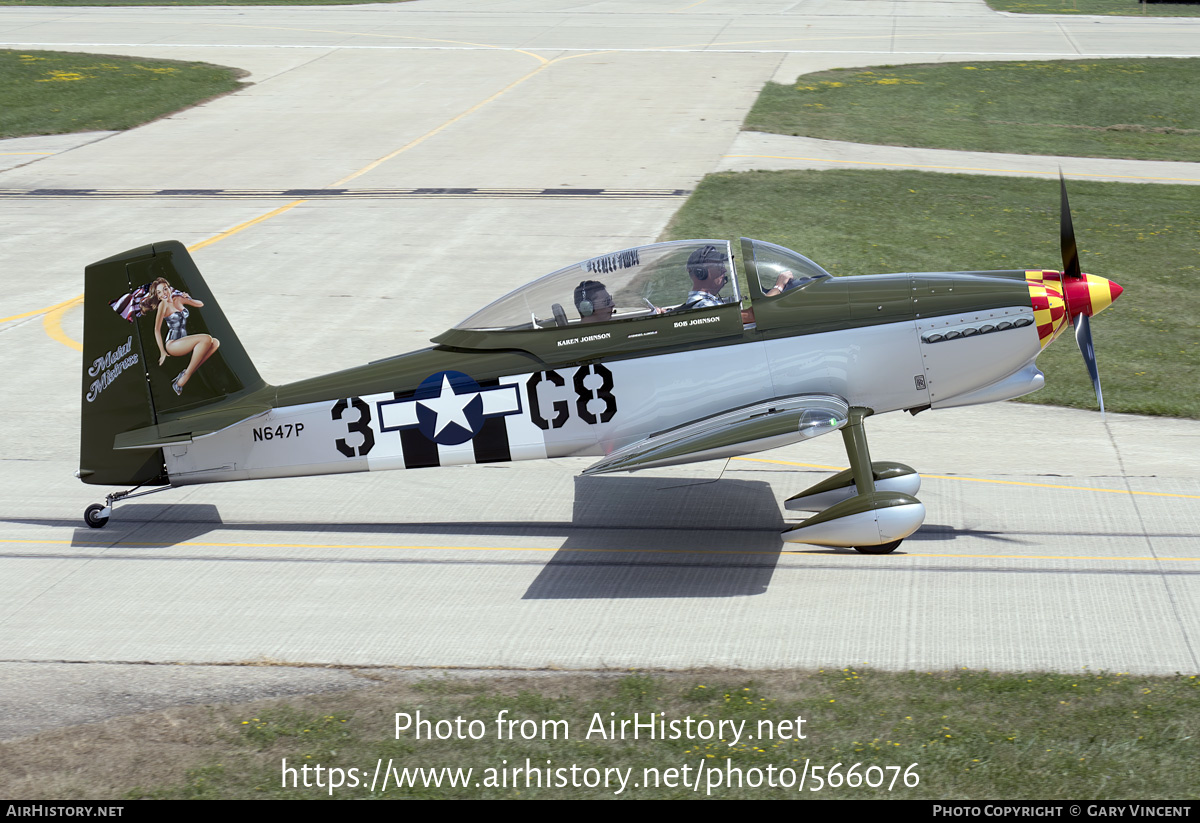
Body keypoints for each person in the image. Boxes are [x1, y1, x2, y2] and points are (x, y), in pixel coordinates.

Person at [140, 277, 221, 396]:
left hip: (183, 340)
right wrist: (162, 351)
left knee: (215, 343)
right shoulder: (163, 305)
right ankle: (183, 380)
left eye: (165, 289)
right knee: (206, 339)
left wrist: (188, 298)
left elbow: (200, 304)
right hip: (173, 343)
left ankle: (184, 375)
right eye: (159, 292)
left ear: (169, 288)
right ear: (157, 296)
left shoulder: (178, 299)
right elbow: (156, 330)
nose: (164, 293)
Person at [682, 245, 796, 311]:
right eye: (719, 266)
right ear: (701, 272)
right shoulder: (702, 305)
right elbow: (753, 315)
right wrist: (779, 286)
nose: (724, 270)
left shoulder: (708, 301)